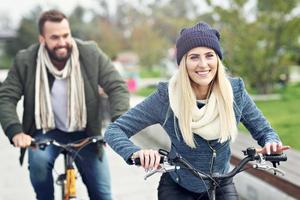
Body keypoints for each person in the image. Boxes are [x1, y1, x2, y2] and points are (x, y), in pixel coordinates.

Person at [104, 21, 289, 200]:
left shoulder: (235, 92)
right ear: (183, 63)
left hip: (221, 183)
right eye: (194, 57)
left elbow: (264, 131)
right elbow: (114, 130)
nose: (203, 64)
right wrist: (136, 152)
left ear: (217, 58)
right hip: (178, 186)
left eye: (209, 55)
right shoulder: (166, 97)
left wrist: (271, 142)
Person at [0, 10, 129, 200]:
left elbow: (117, 87)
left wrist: (119, 122)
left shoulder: (90, 53)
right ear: (42, 39)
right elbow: (6, 97)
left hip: (85, 132)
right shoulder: (26, 60)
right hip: (46, 131)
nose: (62, 42)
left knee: (103, 194)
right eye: (54, 37)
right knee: (38, 164)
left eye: (66, 35)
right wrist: (16, 131)